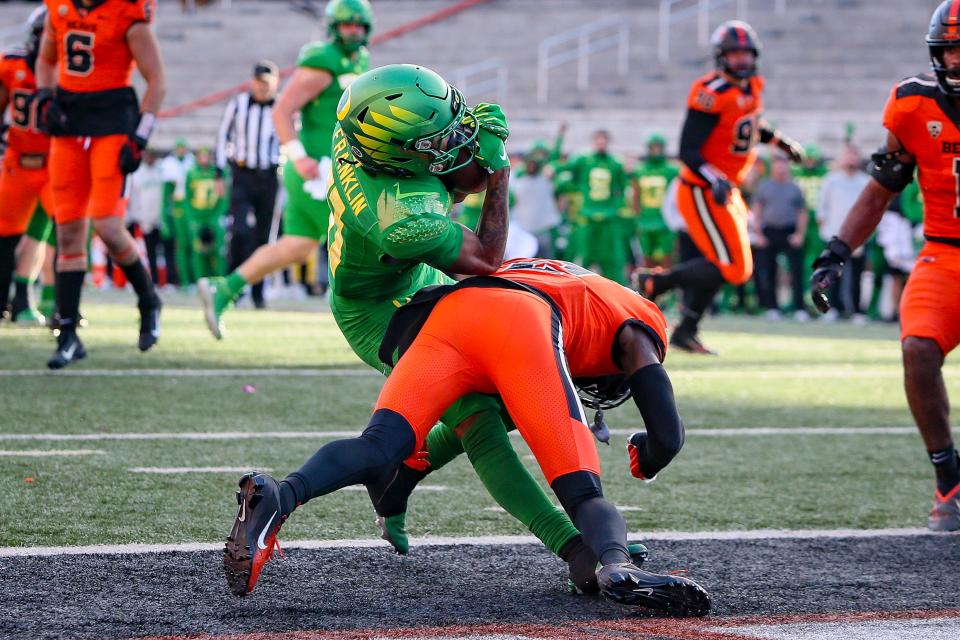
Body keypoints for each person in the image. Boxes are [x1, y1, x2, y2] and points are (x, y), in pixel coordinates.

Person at [291, 64, 639, 592]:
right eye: (438, 139)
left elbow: (437, 172)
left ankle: (401, 478)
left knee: (506, 391)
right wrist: (497, 173)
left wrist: (460, 138)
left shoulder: (358, 131)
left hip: (412, 275)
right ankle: (570, 545)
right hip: (376, 308)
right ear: (397, 154)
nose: (455, 140)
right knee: (479, 417)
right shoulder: (402, 218)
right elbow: (489, 256)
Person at [223, 258, 711, 617]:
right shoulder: (639, 321)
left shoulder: (564, 274)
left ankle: (280, 495)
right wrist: (648, 454)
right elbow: (667, 434)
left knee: (379, 447)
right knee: (582, 491)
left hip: (449, 313)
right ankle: (614, 564)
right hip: (522, 321)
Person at [810, 0, 960, 532]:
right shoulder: (912, 106)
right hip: (944, 253)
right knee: (918, 348)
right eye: (950, 51)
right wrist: (836, 252)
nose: (957, 62)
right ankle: (949, 480)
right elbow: (880, 190)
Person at [199, 0, 372, 336]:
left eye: (359, 25)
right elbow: (282, 111)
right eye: (348, 24)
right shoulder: (323, 61)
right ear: (334, 26)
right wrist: (298, 156)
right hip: (317, 172)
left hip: (330, 167)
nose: (354, 31)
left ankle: (223, 289)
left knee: (297, 245)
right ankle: (370, 321)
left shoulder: (358, 59)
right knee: (357, 237)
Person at [634, 21, 804, 353]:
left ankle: (686, 328)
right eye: (734, 54)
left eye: (745, 53)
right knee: (735, 268)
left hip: (726, 190)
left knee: (727, 265)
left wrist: (779, 141)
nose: (741, 60)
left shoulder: (751, 86)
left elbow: (747, 126)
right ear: (721, 57)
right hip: (701, 189)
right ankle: (656, 282)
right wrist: (716, 178)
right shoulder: (711, 91)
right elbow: (688, 150)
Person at [35, 0, 165, 368]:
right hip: (69, 124)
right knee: (68, 233)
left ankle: (148, 298)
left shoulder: (128, 12)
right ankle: (69, 333)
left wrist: (140, 137)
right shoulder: (58, 9)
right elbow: (45, 60)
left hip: (112, 124)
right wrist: (45, 96)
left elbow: (157, 81)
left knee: (108, 226)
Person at [212, 60, 281, 309]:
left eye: (267, 83)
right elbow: (222, 137)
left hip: (270, 175)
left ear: (275, 83)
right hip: (242, 174)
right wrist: (219, 173)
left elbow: (293, 137)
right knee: (239, 231)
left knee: (265, 237)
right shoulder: (238, 104)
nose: (263, 87)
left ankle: (259, 292)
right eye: (259, 82)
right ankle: (233, 287)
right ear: (252, 82)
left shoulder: (282, 107)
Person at [0, 7, 54, 324]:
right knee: (6, 235)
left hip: (54, 164)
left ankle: (54, 303)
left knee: (58, 234)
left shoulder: (67, 70)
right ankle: (12, 300)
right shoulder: (11, 65)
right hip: (17, 164)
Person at [565, 131, 630, 283]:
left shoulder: (615, 163)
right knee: (583, 256)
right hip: (587, 216)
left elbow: (622, 189)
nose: (601, 144)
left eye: (603, 141)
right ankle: (576, 287)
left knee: (609, 259)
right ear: (593, 142)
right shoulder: (584, 160)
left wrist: (614, 208)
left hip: (607, 218)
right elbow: (565, 169)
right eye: (598, 141)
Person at [816, 144, 870, 321]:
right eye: (848, 155)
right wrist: (825, 230)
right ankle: (833, 309)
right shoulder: (831, 180)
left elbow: (871, 208)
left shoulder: (864, 181)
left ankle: (856, 311)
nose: (851, 159)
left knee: (856, 275)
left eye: (854, 155)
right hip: (835, 234)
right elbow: (822, 208)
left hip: (857, 236)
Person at [753, 155, 808, 320]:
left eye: (784, 165)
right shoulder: (764, 187)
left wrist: (799, 234)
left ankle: (799, 308)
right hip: (769, 231)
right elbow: (756, 210)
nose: (781, 168)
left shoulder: (795, 187)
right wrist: (758, 233)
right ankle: (772, 308)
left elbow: (802, 213)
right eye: (778, 165)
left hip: (790, 231)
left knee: (796, 271)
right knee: (768, 271)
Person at [634, 133, 680, 267]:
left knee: (667, 256)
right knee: (646, 257)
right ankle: (648, 286)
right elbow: (636, 196)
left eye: (658, 147)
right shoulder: (640, 170)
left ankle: (668, 286)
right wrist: (638, 218)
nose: (656, 150)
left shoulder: (672, 170)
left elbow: (677, 196)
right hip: (646, 219)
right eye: (653, 147)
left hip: (666, 220)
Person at [185, 147, 228, 279]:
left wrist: (218, 215)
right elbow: (187, 197)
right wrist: (191, 218)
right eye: (201, 156)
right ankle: (200, 281)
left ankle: (219, 280)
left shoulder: (218, 173)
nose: (204, 159)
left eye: (206, 156)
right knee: (198, 251)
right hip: (198, 217)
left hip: (213, 216)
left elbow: (223, 196)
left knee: (218, 250)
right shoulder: (191, 173)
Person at [127, 148, 166, 284]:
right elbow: (135, 198)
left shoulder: (161, 170)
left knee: (162, 251)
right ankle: (147, 280)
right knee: (145, 252)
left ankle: (163, 281)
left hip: (160, 219)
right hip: (143, 219)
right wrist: (138, 216)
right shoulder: (137, 173)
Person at [160, 138, 195, 288]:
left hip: (192, 208)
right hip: (178, 207)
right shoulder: (169, 164)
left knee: (193, 245)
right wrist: (165, 218)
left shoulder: (192, 162)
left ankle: (194, 279)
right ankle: (182, 280)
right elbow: (166, 194)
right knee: (179, 246)